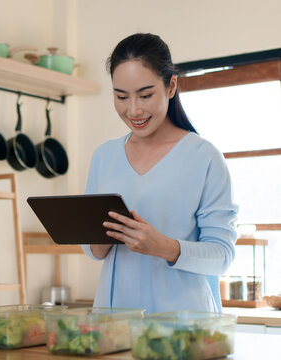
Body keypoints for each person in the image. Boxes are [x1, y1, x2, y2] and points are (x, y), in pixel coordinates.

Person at [82, 33, 238, 313]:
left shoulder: (204, 157)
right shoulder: (104, 156)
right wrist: (103, 238)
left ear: (171, 86)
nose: (133, 110)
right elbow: (94, 251)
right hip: (113, 323)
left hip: (183, 328)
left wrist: (164, 246)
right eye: (121, 96)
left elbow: (222, 256)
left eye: (145, 95)